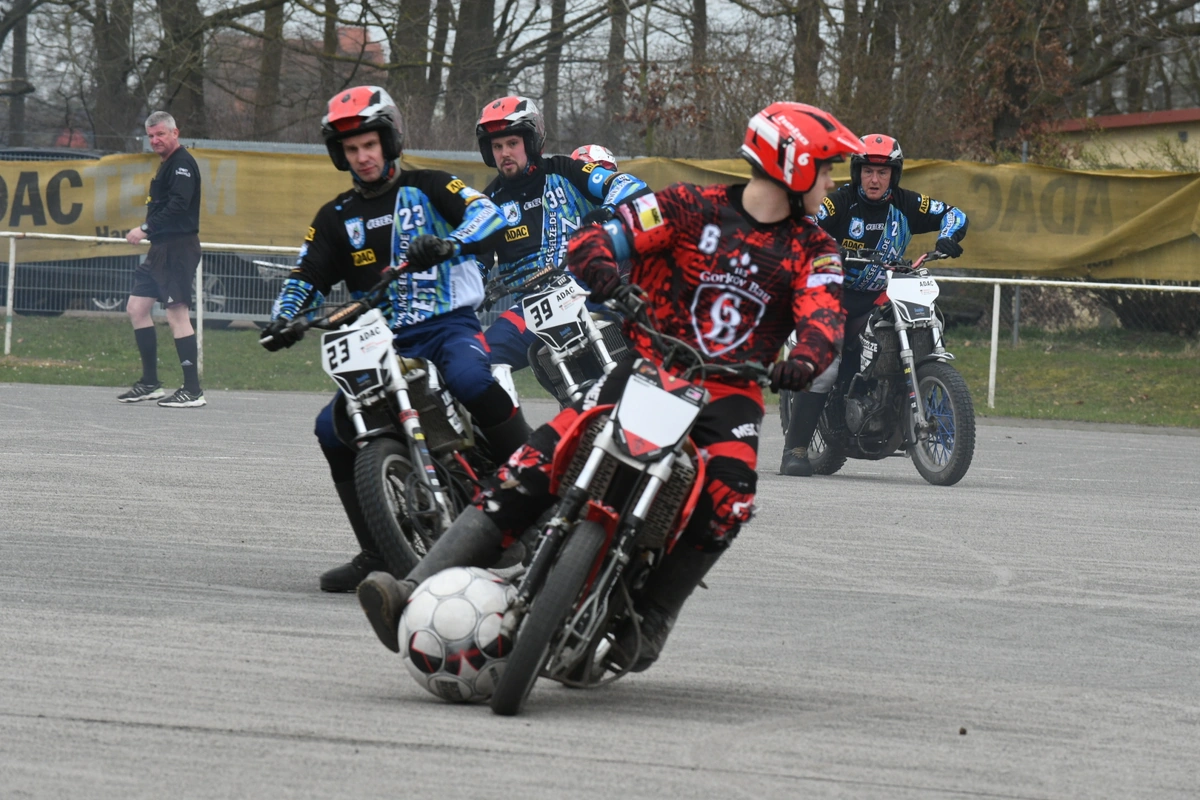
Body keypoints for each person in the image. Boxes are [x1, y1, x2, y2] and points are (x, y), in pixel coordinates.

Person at [355, 102, 864, 671]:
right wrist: (595, 261)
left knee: (732, 496)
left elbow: (824, 315)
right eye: (827, 168)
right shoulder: (687, 205)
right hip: (649, 362)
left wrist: (808, 358)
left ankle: (652, 617)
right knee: (536, 456)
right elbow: (609, 231)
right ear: (792, 166)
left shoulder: (814, 248)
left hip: (732, 391)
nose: (831, 182)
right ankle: (413, 584)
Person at [259, 86, 530, 593]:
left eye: (369, 145)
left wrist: (450, 242)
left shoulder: (430, 186)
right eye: (352, 149)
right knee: (329, 427)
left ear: (388, 141)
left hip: (448, 324)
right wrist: (283, 318)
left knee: (472, 378)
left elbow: (490, 215)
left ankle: (540, 494)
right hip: (382, 340)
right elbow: (305, 275)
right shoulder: (334, 217)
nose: (362, 157)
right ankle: (375, 551)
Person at [779, 132, 969, 477]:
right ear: (857, 173)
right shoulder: (840, 201)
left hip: (884, 293)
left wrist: (947, 236)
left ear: (893, 175)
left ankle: (894, 406)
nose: (875, 179)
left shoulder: (907, 203)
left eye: (883, 172)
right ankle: (795, 448)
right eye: (868, 171)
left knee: (918, 327)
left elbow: (955, 213)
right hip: (833, 291)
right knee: (828, 366)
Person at [475, 96, 646, 370]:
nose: (504, 153)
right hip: (532, 311)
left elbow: (629, 184)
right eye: (497, 146)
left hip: (585, 287)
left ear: (531, 142)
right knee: (476, 365)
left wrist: (609, 210)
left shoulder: (566, 169)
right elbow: (472, 264)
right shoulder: (487, 206)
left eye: (512, 143)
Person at [118, 111, 205, 408]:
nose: (156, 140)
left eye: (161, 134)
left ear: (175, 133)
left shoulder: (182, 164)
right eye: (151, 136)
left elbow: (180, 205)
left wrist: (145, 228)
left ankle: (192, 390)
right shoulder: (166, 165)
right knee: (137, 307)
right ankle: (150, 383)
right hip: (160, 249)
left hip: (178, 248)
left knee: (176, 312)